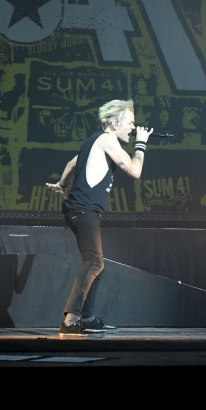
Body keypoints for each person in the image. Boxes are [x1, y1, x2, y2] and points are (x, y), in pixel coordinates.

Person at [46, 99, 154, 334]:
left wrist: (61, 185)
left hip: (82, 209)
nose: (133, 128)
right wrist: (141, 144)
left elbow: (72, 163)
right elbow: (135, 171)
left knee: (97, 265)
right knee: (95, 263)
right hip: (84, 210)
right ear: (115, 123)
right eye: (130, 123)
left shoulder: (93, 141)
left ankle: (88, 317)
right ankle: (71, 320)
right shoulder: (107, 140)